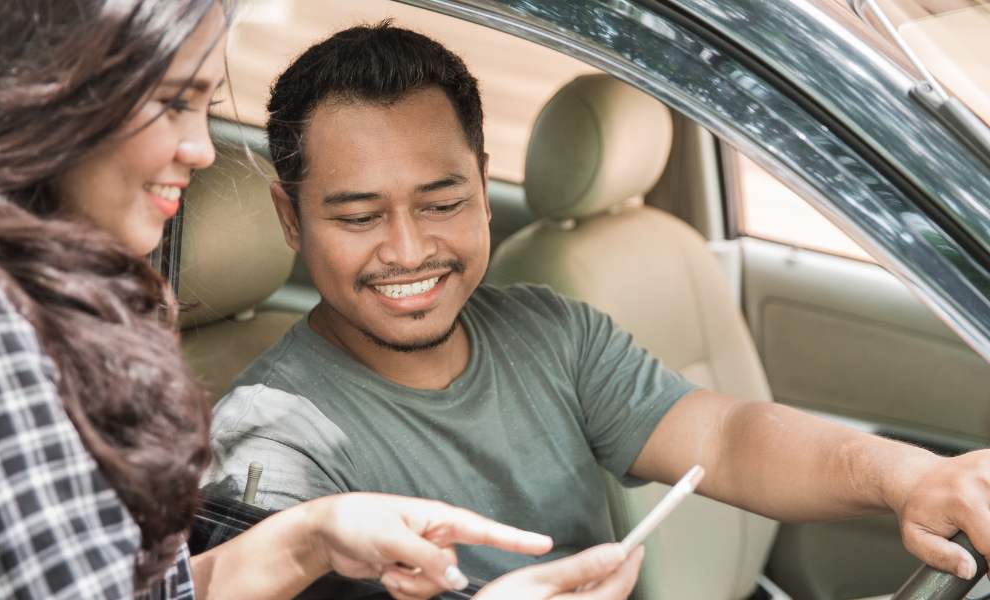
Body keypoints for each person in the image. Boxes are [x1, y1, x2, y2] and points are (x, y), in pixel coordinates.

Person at [0, 2, 647, 599]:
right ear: (43, 90)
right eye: (173, 104)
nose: (201, 149)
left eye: (204, 105)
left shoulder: (16, 299)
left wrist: (318, 535)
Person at [205, 21, 990, 585]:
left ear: (483, 186)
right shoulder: (274, 437)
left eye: (442, 203)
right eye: (359, 216)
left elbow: (724, 436)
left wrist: (905, 476)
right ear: (290, 217)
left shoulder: (549, 330)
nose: (408, 250)